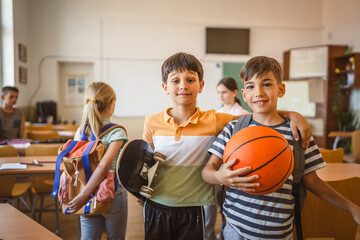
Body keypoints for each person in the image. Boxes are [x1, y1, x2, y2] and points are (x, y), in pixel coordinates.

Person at [142, 52, 312, 240]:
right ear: (165, 87)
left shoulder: (215, 120)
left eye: (190, 79)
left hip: (195, 206)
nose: (183, 85)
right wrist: (139, 190)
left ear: (201, 86)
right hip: (157, 204)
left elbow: (259, 114)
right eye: (175, 81)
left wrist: (292, 114)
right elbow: (148, 161)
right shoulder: (151, 122)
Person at [202, 56, 360, 239]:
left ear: (281, 89)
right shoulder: (233, 129)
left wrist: (352, 208)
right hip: (234, 229)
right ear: (244, 94)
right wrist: (219, 176)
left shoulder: (298, 133)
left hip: (278, 232)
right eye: (251, 86)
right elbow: (207, 171)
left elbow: (313, 182)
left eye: (267, 84)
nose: (259, 92)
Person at [67, 82, 128, 240]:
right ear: (112, 104)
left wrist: (83, 194)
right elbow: (104, 165)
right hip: (112, 193)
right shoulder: (116, 131)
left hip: (85, 191)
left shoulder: (81, 131)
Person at [204, 77, 250, 240]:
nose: (221, 96)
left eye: (224, 92)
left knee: (227, 205)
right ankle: (219, 233)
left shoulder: (244, 115)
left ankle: (225, 232)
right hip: (216, 165)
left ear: (235, 93)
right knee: (216, 203)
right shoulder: (218, 113)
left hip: (233, 165)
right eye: (218, 92)